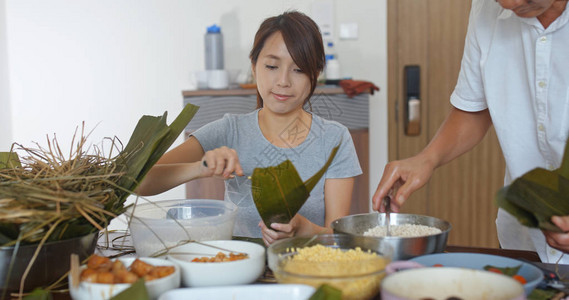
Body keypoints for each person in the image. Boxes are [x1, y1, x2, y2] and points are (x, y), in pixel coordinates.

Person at [137, 11, 362, 246]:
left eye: (299, 70)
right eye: (272, 66)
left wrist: (305, 230)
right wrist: (199, 168)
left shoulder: (335, 138)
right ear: (254, 67)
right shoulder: (228, 131)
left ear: (315, 74)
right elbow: (139, 182)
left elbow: (340, 240)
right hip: (239, 267)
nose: (283, 81)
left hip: (305, 272)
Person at [372, 0, 569, 263]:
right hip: (525, 238)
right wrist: (426, 159)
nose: (509, 4)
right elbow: (474, 107)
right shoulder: (486, 7)